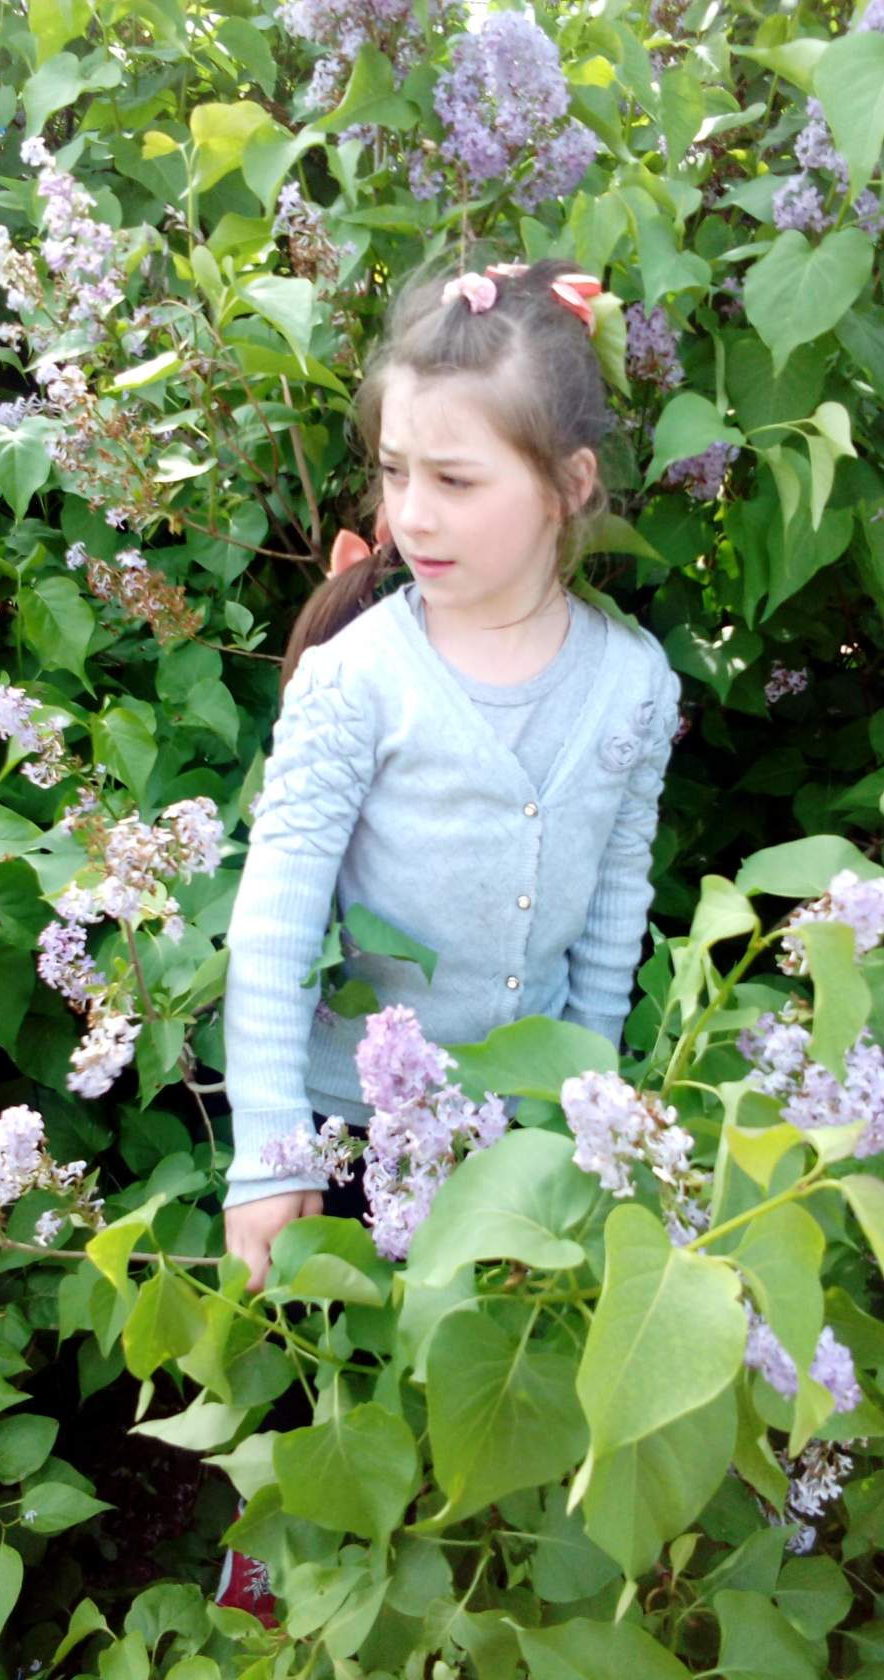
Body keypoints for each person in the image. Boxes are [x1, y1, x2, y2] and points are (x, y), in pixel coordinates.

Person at [222, 258, 680, 1290]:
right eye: (395, 473)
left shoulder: (633, 684)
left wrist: (580, 1103)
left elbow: (613, 906)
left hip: (523, 1134)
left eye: (456, 481)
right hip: (347, 1133)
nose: (412, 515)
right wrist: (271, 1149)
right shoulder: (357, 680)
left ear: (569, 485)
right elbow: (277, 918)